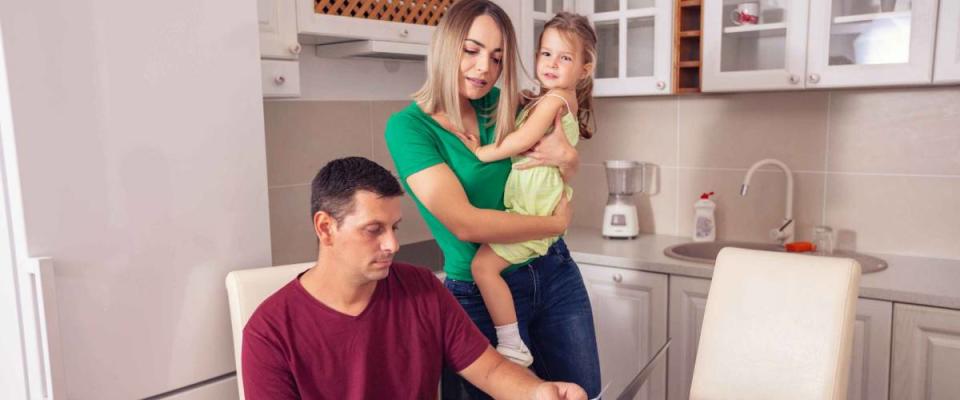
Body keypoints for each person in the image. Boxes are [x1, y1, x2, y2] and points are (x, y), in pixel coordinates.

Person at [384, 1, 601, 398]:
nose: (484, 67)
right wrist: (554, 224)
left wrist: (569, 159)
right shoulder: (408, 128)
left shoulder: (504, 104)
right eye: (471, 50)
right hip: (481, 293)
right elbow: (467, 223)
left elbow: (555, 163)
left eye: (497, 58)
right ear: (445, 46)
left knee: (584, 394)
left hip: (553, 271)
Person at [241, 157, 587, 400]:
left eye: (394, 228)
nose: (392, 244)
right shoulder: (269, 332)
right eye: (373, 230)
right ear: (325, 228)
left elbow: (491, 371)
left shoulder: (421, 289)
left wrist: (538, 391)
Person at [463, 11, 597, 367]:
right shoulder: (550, 98)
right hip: (536, 206)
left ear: (584, 68)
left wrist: (482, 151)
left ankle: (510, 343)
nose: (551, 63)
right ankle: (511, 341)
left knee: (482, 268)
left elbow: (523, 139)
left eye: (565, 57)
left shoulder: (554, 101)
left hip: (534, 210)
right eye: (545, 53)